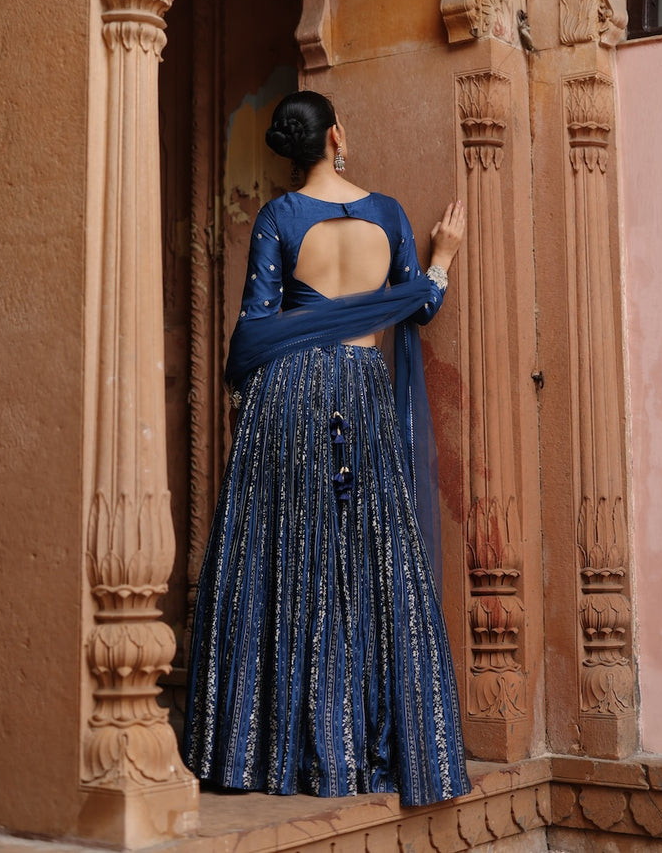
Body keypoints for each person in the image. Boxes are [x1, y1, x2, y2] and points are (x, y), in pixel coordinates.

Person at [184, 90, 471, 805]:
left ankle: (268, 752)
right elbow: (421, 307)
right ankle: (356, 749)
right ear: (337, 135)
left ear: (293, 148)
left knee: (283, 558)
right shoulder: (389, 215)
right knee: (372, 559)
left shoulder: (280, 217)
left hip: (286, 396)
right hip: (364, 392)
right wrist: (444, 258)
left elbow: (256, 328)